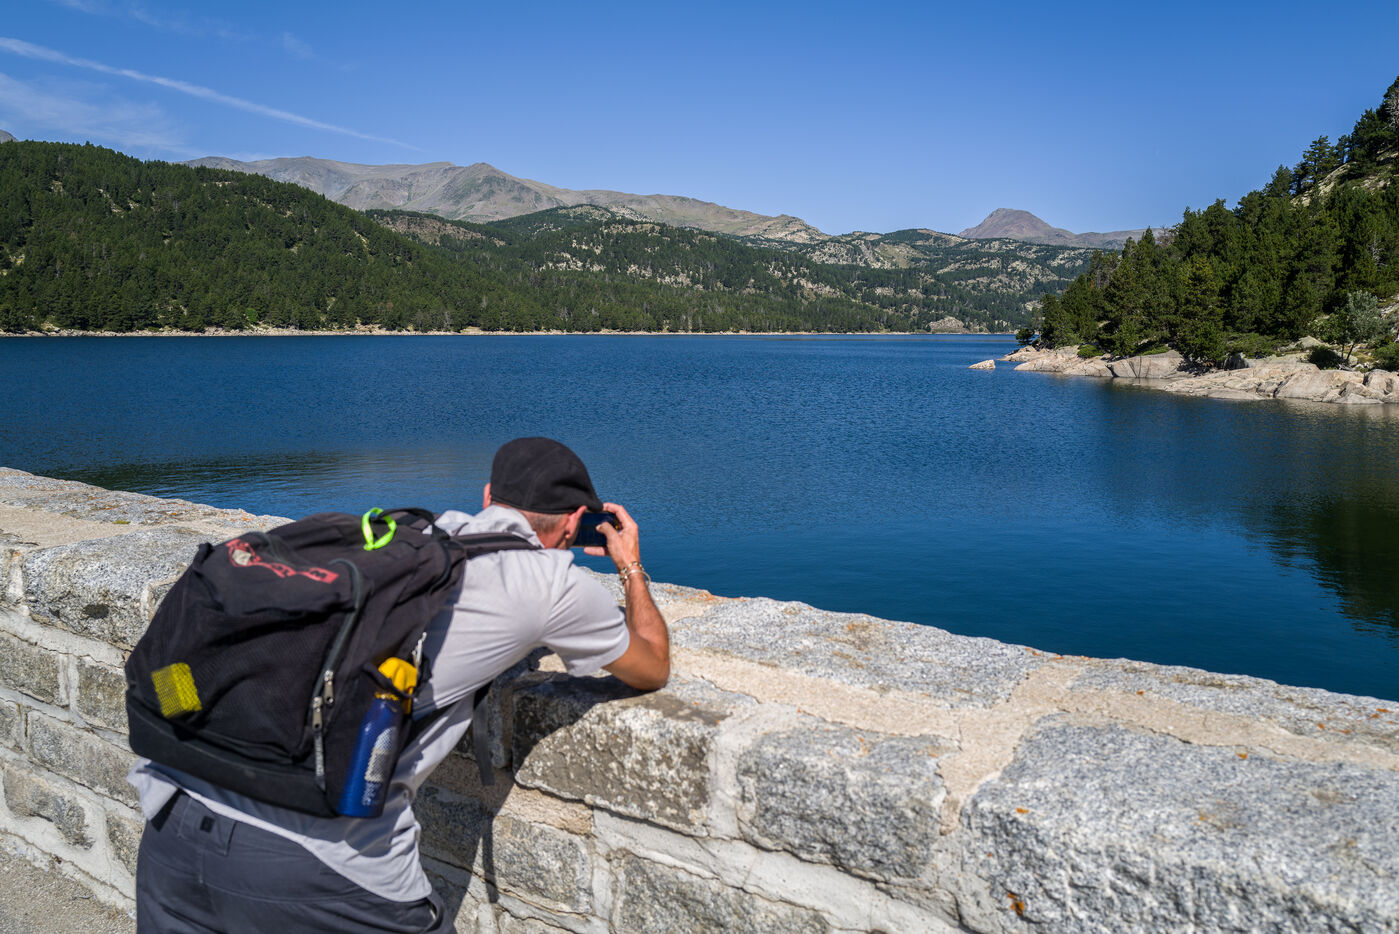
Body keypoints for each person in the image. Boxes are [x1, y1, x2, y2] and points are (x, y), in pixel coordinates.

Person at [129, 437, 670, 933]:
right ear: (575, 521)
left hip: (174, 819)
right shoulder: (551, 584)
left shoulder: (421, 533)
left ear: (488, 496)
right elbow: (651, 666)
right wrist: (630, 567)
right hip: (318, 865)